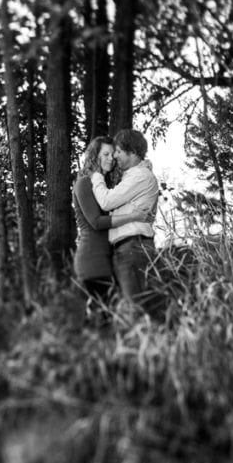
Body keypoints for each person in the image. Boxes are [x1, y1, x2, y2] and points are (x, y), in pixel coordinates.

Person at [73, 136, 150, 323]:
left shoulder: (105, 186)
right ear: (94, 156)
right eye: (105, 154)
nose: (110, 158)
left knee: (111, 320)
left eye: (112, 154)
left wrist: (143, 167)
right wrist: (133, 216)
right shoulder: (84, 183)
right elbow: (97, 222)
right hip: (93, 260)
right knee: (102, 321)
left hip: (110, 259)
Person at [90, 128, 161, 319]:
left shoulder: (139, 176)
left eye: (119, 152)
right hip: (131, 248)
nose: (115, 156)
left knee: (136, 310)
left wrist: (96, 176)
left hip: (132, 248)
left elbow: (107, 201)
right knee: (137, 308)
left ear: (133, 153)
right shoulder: (134, 176)